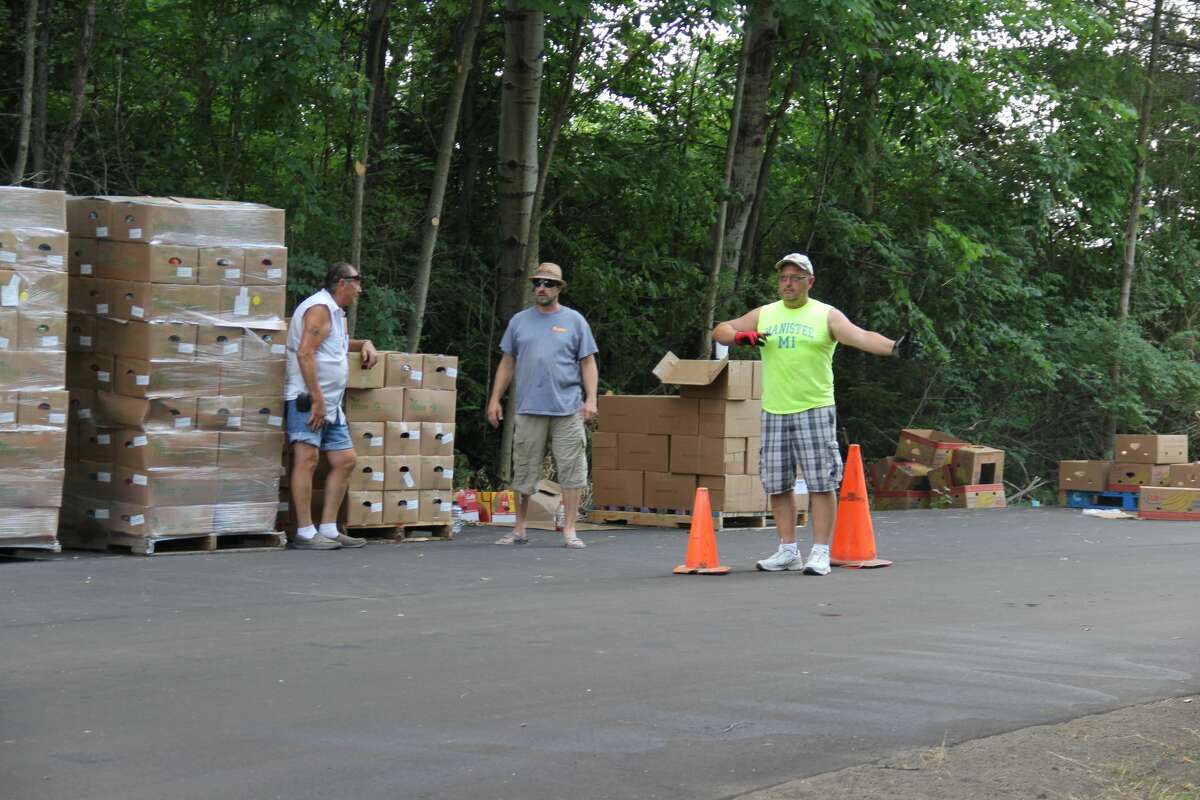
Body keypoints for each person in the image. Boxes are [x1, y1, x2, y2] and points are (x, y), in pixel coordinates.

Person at [712, 252, 919, 574]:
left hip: (814, 409)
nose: (788, 284)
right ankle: (788, 550)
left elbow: (860, 336)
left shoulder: (825, 315)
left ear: (810, 281)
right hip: (774, 410)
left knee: (821, 483)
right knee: (776, 484)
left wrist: (894, 347)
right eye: (783, 278)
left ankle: (820, 552)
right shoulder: (765, 313)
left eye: (796, 278)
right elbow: (721, 330)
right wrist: (742, 336)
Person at [487, 262, 599, 548]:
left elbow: (588, 362)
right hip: (528, 407)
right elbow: (507, 362)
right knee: (524, 469)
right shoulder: (519, 321)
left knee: (572, 469)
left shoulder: (574, 321)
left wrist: (591, 399)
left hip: (567, 408)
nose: (541, 288)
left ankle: (570, 530)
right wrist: (494, 400)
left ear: (559, 288)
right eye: (537, 282)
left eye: (548, 283)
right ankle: (520, 529)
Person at [285, 262, 379, 550]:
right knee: (307, 459)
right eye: (356, 283)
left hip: (330, 404)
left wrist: (365, 342)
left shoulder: (336, 314)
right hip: (309, 399)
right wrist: (316, 399)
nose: (359, 290)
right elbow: (305, 353)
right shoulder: (320, 309)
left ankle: (328, 527)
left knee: (345, 459)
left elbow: (334, 344)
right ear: (341, 283)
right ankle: (304, 532)